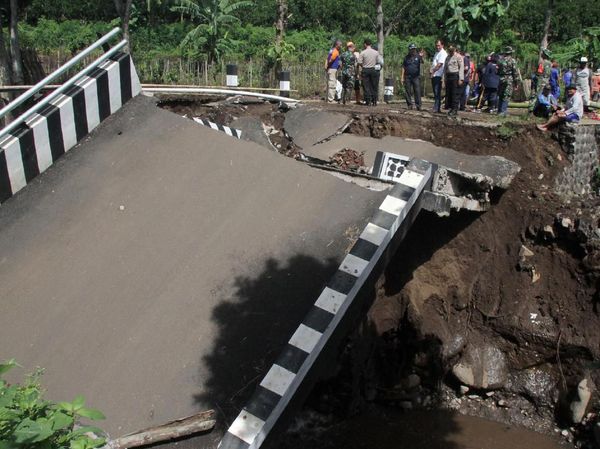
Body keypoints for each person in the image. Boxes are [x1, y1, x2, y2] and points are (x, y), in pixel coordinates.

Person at [496, 46, 520, 116]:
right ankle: (503, 111)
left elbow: (497, 71)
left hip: (501, 78)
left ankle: (499, 110)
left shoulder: (500, 60)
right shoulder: (512, 61)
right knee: (506, 95)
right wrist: (516, 82)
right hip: (509, 79)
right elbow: (515, 72)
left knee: (500, 94)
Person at [358, 39, 380, 106]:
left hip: (365, 70)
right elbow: (378, 61)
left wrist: (364, 66)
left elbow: (359, 62)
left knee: (366, 86)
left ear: (365, 44)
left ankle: (368, 101)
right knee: (374, 85)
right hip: (373, 70)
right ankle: (374, 101)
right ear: (371, 44)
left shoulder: (363, 52)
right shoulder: (376, 52)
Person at [444, 45, 464, 117]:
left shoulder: (458, 57)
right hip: (449, 76)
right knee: (449, 94)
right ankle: (451, 108)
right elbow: (445, 68)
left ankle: (455, 109)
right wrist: (444, 78)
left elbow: (461, 67)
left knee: (455, 94)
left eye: (452, 49)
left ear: (455, 49)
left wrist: (461, 78)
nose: (450, 51)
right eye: (449, 49)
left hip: (455, 76)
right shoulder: (447, 57)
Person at [401, 43, 423, 110]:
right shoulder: (406, 57)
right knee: (408, 91)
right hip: (407, 77)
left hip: (416, 77)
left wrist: (421, 56)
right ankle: (409, 105)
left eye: (414, 49)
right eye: (411, 49)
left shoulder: (418, 56)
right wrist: (402, 77)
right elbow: (403, 67)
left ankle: (418, 105)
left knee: (417, 91)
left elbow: (422, 61)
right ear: (409, 50)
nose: (413, 50)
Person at [430, 39, 448, 113]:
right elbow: (434, 63)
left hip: (438, 75)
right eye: (436, 45)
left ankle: (436, 108)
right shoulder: (437, 53)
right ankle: (436, 107)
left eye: (439, 45)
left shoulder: (443, 53)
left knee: (437, 92)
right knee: (435, 92)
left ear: (442, 45)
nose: (437, 47)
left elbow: (440, 64)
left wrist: (432, 71)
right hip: (435, 74)